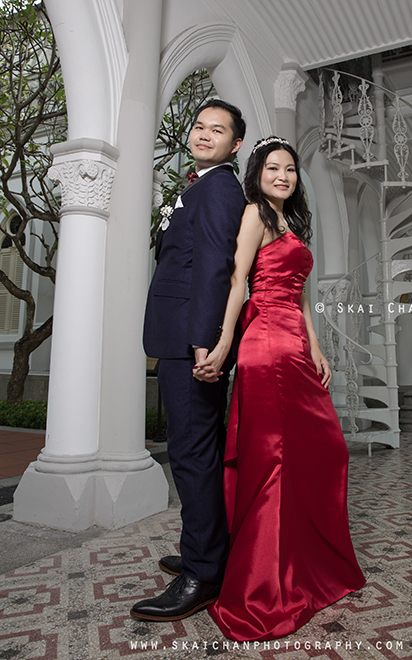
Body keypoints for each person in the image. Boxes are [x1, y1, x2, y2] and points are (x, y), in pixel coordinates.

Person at [195, 137, 366, 640]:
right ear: (258, 172)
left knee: (325, 452)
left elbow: (303, 297)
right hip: (266, 346)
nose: (283, 176)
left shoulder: (294, 223)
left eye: (290, 169)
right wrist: (226, 341)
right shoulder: (255, 215)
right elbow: (237, 281)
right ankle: (263, 587)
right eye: (273, 168)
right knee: (273, 461)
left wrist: (317, 347)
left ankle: (307, 567)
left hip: (295, 344)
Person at [130, 100, 246, 622]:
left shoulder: (221, 187)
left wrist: (205, 340)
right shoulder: (198, 184)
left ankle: (204, 573)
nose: (203, 134)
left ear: (235, 144)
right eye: (199, 126)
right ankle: (206, 549)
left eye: (217, 130)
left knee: (192, 452)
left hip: (189, 340)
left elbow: (217, 268)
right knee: (195, 449)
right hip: (177, 335)